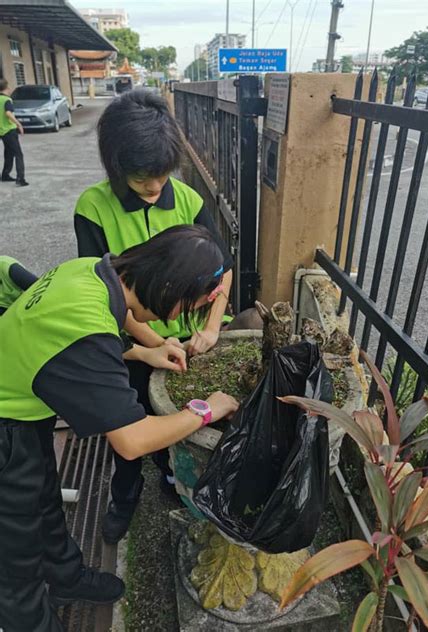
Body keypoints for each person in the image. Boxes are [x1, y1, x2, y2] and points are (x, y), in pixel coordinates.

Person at [0, 225, 239, 632]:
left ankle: (66, 577)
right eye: (184, 306)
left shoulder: (89, 271)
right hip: (6, 430)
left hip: (24, 411)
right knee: (13, 548)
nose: (176, 318)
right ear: (167, 288)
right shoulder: (88, 328)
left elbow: (80, 337)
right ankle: (30, 620)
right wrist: (205, 410)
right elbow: (132, 441)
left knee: (43, 503)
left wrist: (146, 350)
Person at [74, 89, 234, 543]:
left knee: (178, 425)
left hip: (185, 344)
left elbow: (221, 271)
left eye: (161, 174)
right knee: (129, 427)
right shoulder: (93, 207)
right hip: (131, 343)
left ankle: (169, 477)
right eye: (141, 176)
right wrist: (149, 344)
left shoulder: (186, 200)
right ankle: (125, 492)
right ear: (115, 163)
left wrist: (209, 327)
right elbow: (103, 291)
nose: (152, 187)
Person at [0, 79, 28, 186]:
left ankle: (5, 175)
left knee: (9, 152)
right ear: (6, 88)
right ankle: (20, 179)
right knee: (18, 154)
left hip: (1, 131)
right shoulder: (7, 100)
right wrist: (18, 124)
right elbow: (8, 113)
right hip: (9, 130)